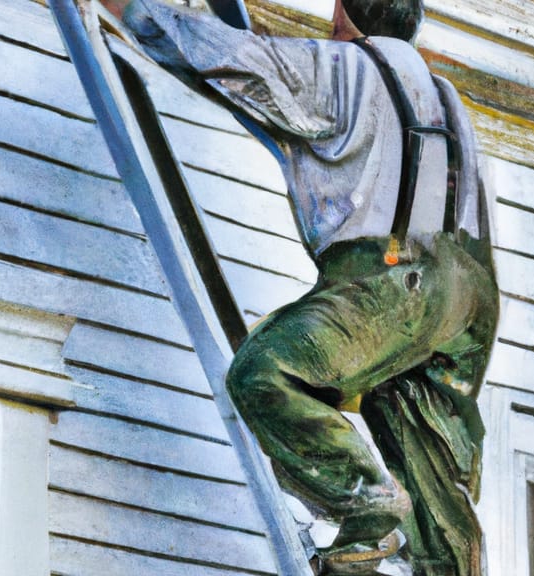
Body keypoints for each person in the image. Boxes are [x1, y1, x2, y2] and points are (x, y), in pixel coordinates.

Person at [100, 0, 498, 573]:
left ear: (344, 15)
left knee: (267, 373)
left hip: (391, 277)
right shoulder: (443, 96)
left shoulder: (342, 67)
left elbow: (237, 61)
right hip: (464, 294)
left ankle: (367, 498)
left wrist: (139, 9)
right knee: (425, 461)